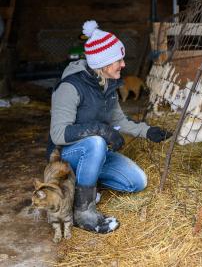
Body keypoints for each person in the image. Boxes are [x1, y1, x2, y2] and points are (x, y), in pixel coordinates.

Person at [47, 20, 172, 234]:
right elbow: (58, 134)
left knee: (137, 182)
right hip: (68, 156)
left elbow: (120, 121)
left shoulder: (107, 86)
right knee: (96, 141)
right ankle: (83, 211)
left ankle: (86, 184)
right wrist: (102, 130)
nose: (123, 64)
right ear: (103, 64)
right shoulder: (70, 87)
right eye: (119, 59)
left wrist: (147, 131)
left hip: (97, 153)